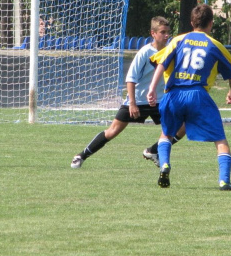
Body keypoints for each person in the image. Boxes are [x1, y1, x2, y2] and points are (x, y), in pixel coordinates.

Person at [70, 16, 186, 169]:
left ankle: (153, 151)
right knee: (113, 131)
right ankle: (81, 155)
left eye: (168, 32)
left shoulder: (171, 51)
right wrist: (132, 103)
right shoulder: (145, 52)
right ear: (153, 33)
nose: (166, 35)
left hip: (160, 101)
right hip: (138, 100)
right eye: (163, 32)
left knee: (182, 126)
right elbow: (130, 79)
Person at [147, 4, 231, 190]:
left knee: (166, 133)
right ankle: (224, 181)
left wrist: (151, 88)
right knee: (220, 140)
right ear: (211, 23)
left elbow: (162, 64)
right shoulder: (215, 45)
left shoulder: (178, 40)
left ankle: (164, 164)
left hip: (173, 94)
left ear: (191, 22)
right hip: (198, 94)